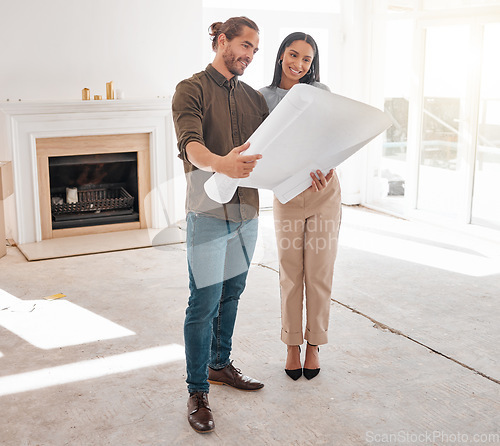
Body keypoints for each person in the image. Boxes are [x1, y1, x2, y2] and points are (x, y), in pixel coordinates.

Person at [171, 17, 269, 434]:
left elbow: (271, 151)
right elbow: (190, 145)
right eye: (244, 45)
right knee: (203, 303)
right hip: (208, 214)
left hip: (247, 212)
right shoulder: (189, 89)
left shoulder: (254, 99)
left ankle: (219, 364)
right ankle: (197, 391)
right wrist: (220, 162)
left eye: (254, 50)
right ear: (222, 40)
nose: (248, 55)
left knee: (232, 294)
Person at [259, 32, 342, 381]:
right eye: (293, 55)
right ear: (281, 56)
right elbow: (261, 146)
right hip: (287, 194)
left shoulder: (319, 93)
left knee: (319, 272)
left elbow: (335, 136)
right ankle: (292, 344)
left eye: (306, 59)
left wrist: (331, 165)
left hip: (324, 192)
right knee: (291, 274)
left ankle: (314, 345)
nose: (299, 64)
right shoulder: (262, 98)